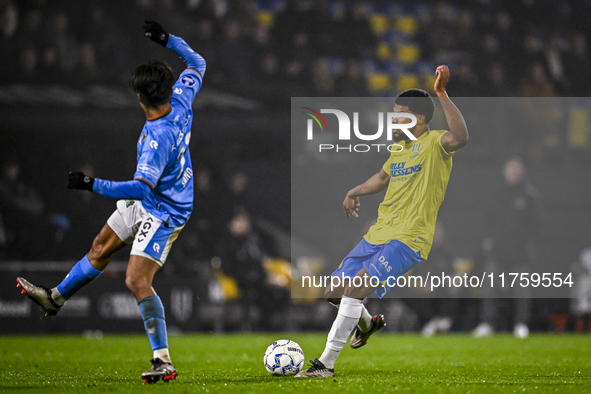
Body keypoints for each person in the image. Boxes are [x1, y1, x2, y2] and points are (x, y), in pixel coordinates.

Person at [16, 21, 205, 383]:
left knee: (136, 279)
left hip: (165, 209)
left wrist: (92, 184)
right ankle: (55, 298)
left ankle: (162, 360)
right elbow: (197, 63)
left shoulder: (156, 140)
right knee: (100, 247)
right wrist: (168, 41)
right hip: (159, 197)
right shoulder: (182, 97)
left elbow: (138, 187)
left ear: (140, 98)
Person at [295, 65, 468, 378]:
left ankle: (325, 365)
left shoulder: (435, 145)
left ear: (419, 119)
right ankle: (367, 323)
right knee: (334, 290)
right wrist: (353, 191)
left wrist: (441, 93)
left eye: (399, 113)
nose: (392, 119)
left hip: (409, 238)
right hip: (379, 234)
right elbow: (381, 178)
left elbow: (461, 136)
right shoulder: (399, 149)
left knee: (356, 287)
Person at [472, 156, 539, 338]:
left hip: (520, 254)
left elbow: (534, 225)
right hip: (497, 253)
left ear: (522, 173)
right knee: (489, 288)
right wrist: (487, 239)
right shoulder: (496, 196)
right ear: (504, 172)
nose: (513, 173)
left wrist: (523, 242)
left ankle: (521, 324)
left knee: (522, 290)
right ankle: (487, 323)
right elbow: (487, 221)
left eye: (516, 170)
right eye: (510, 169)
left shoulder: (529, 196)